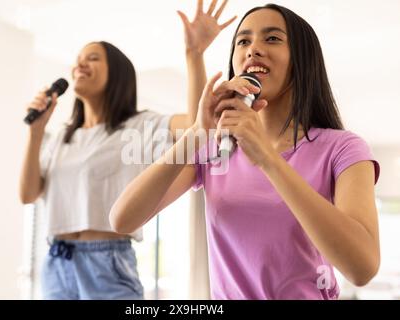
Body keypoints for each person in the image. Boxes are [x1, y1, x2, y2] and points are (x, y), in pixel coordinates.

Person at [110, 3, 381, 300]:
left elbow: (362, 268)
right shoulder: (215, 149)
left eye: (273, 38)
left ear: (302, 60)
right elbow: (122, 220)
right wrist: (199, 131)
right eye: (243, 41)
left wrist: (267, 158)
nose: (253, 49)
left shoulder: (342, 148)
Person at [19, 0, 235, 300]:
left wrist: (194, 54)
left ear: (117, 74)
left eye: (92, 58)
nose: (79, 64)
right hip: (57, 261)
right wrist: (36, 131)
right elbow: (28, 194)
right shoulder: (60, 138)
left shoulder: (139, 125)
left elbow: (198, 126)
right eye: (78, 59)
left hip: (107, 262)